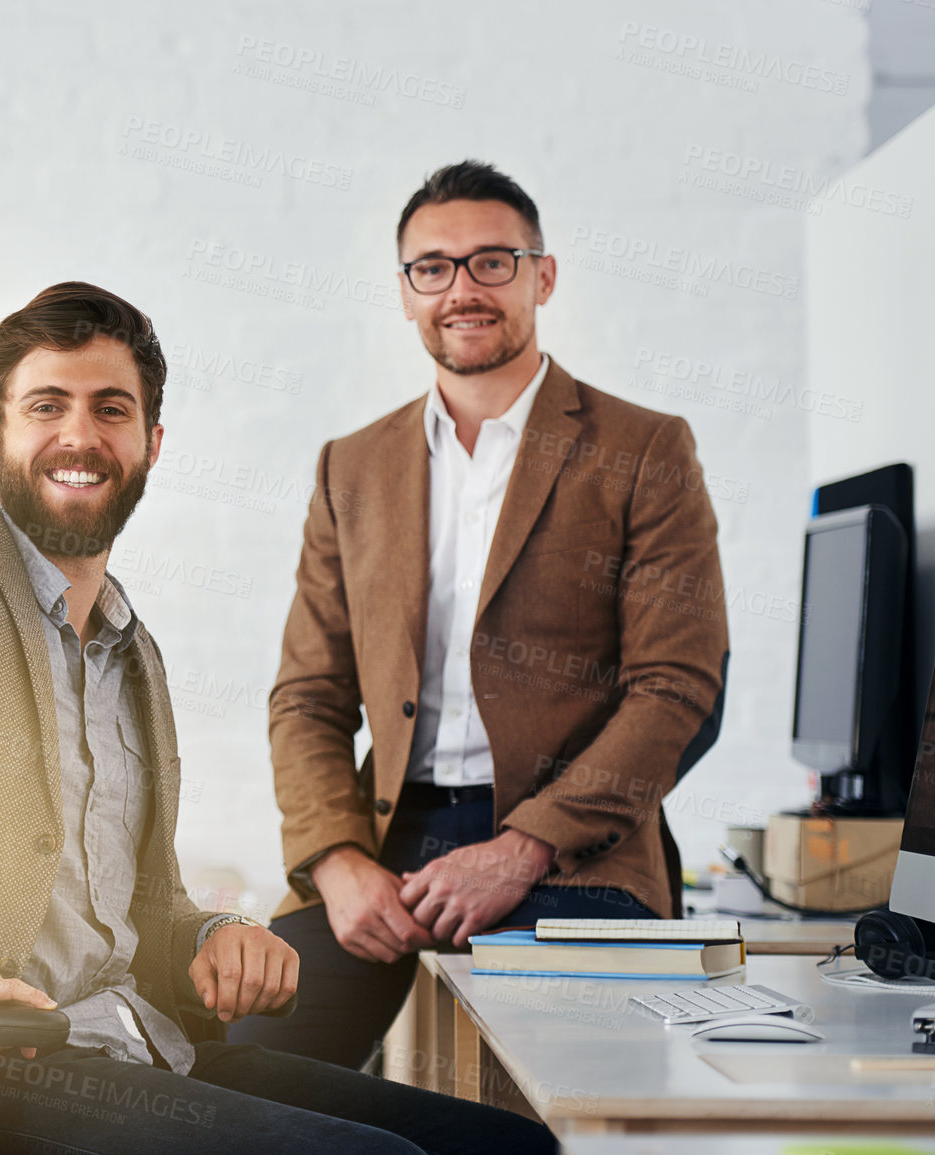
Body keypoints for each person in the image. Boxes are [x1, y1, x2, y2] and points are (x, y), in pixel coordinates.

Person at [0, 282, 556, 1154]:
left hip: (140, 1049)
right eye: (45, 405)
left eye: (110, 408)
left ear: (152, 442)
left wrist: (213, 935)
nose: (78, 435)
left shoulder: (132, 651)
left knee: (507, 1145)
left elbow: (139, 911)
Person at [231, 162, 730, 1070]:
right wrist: (336, 859)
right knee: (247, 1062)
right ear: (405, 292)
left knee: (541, 1089)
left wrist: (522, 847)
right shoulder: (352, 465)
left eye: (491, 262)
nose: (462, 288)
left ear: (541, 276)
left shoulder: (642, 447)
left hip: (576, 850)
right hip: (387, 844)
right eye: (434, 267)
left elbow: (675, 688)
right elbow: (306, 697)